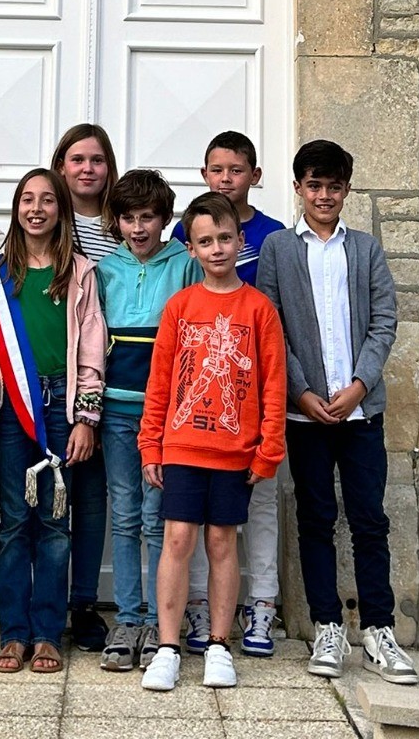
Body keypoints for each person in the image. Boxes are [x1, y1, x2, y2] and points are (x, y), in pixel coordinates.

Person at [258, 140, 418, 685]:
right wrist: (301, 393)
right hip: (303, 417)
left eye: (334, 186)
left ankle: (378, 629)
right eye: (314, 186)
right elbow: (272, 328)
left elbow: (383, 320)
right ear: (299, 188)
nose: (324, 195)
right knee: (316, 518)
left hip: (360, 414)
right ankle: (327, 625)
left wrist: (358, 384)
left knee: (370, 520)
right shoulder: (280, 249)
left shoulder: (365, 248)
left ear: (347, 190)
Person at [138, 193, 286, 694]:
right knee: (177, 540)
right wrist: (149, 443)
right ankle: (167, 646)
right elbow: (160, 380)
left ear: (241, 242)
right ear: (192, 249)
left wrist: (268, 450)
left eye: (225, 239)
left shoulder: (259, 309)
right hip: (181, 446)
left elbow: (272, 384)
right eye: (206, 241)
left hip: (235, 451)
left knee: (223, 542)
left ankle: (220, 645)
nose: (217, 248)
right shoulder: (180, 307)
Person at [0, 168, 106, 675]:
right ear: (15, 208)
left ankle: (48, 633)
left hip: (62, 406)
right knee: (15, 522)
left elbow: (94, 350)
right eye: (27, 199)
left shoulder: (79, 273)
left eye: (47, 200)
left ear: (61, 209)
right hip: (12, 408)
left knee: (56, 524)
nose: (37, 208)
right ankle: (13, 633)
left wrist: (87, 419)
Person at [171, 131, 285, 656]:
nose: (225, 178)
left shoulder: (274, 235)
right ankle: (199, 608)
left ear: (253, 176)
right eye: (216, 170)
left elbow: (281, 316)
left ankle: (261, 605)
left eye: (235, 170)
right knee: (194, 527)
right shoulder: (184, 231)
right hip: (198, 409)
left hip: (251, 402)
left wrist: (272, 429)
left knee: (250, 515)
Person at [95, 169, 199, 672]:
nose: (139, 227)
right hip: (117, 408)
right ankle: (129, 617)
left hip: (168, 416)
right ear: (117, 222)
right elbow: (92, 340)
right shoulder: (105, 269)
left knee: (159, 520)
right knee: (126, 513)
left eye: (148, 218)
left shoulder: (184, 265)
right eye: (129, 218)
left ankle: (162, 620)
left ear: (165, 219)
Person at [50, 122, 120, 650]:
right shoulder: (50, 224)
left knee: (94, 497)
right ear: (61, 167)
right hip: (59, 377)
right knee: (52, 495)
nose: (87, 169)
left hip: (114, 379)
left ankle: (83, 603)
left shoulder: (124, 225)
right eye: (77, 159)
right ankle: (43, 599)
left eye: (96, 160)